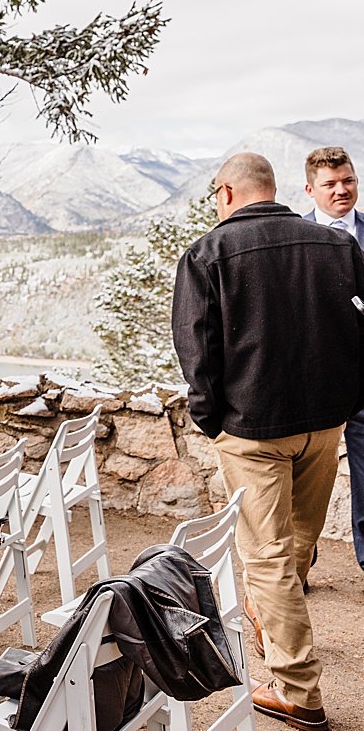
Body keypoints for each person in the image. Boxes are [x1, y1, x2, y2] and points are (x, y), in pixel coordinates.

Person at [172, 152, 364, 731]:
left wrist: (212, 421)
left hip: (253, 428)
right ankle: (272, 615)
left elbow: (197, 350)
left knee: (270, 556)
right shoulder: (337, 246)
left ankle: (298, 692)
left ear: (226, 194)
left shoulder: (208, 254)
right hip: (324, 424)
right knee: (295, 543)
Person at [300, 145, 364, 575]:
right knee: (301, 487)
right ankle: (299, 568)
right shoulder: (293, 236)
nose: (341, 190)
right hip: (313, 381)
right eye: (330, 184)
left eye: (349, 180)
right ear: (310, 189)